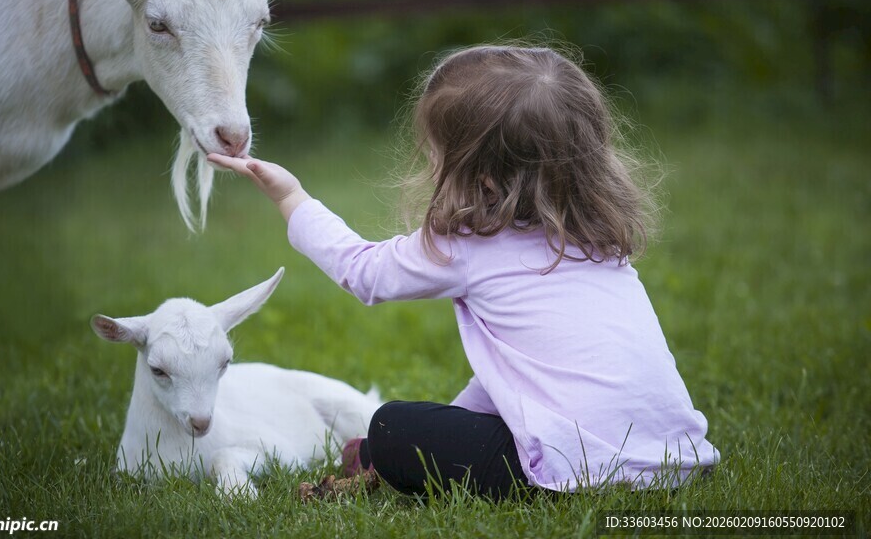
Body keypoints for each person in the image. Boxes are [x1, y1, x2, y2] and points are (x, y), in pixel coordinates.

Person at [208, 44, 718, 498]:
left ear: (484, 177)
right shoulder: (601, 245)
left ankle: (379, 457)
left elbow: (362, 271)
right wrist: (451, 421)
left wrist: (290, 196)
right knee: (414, 429)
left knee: (391, 427)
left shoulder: (471, 246)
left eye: (436, 153)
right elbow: (516, 377)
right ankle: (387, 453)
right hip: (673, 458)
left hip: (578, 469)